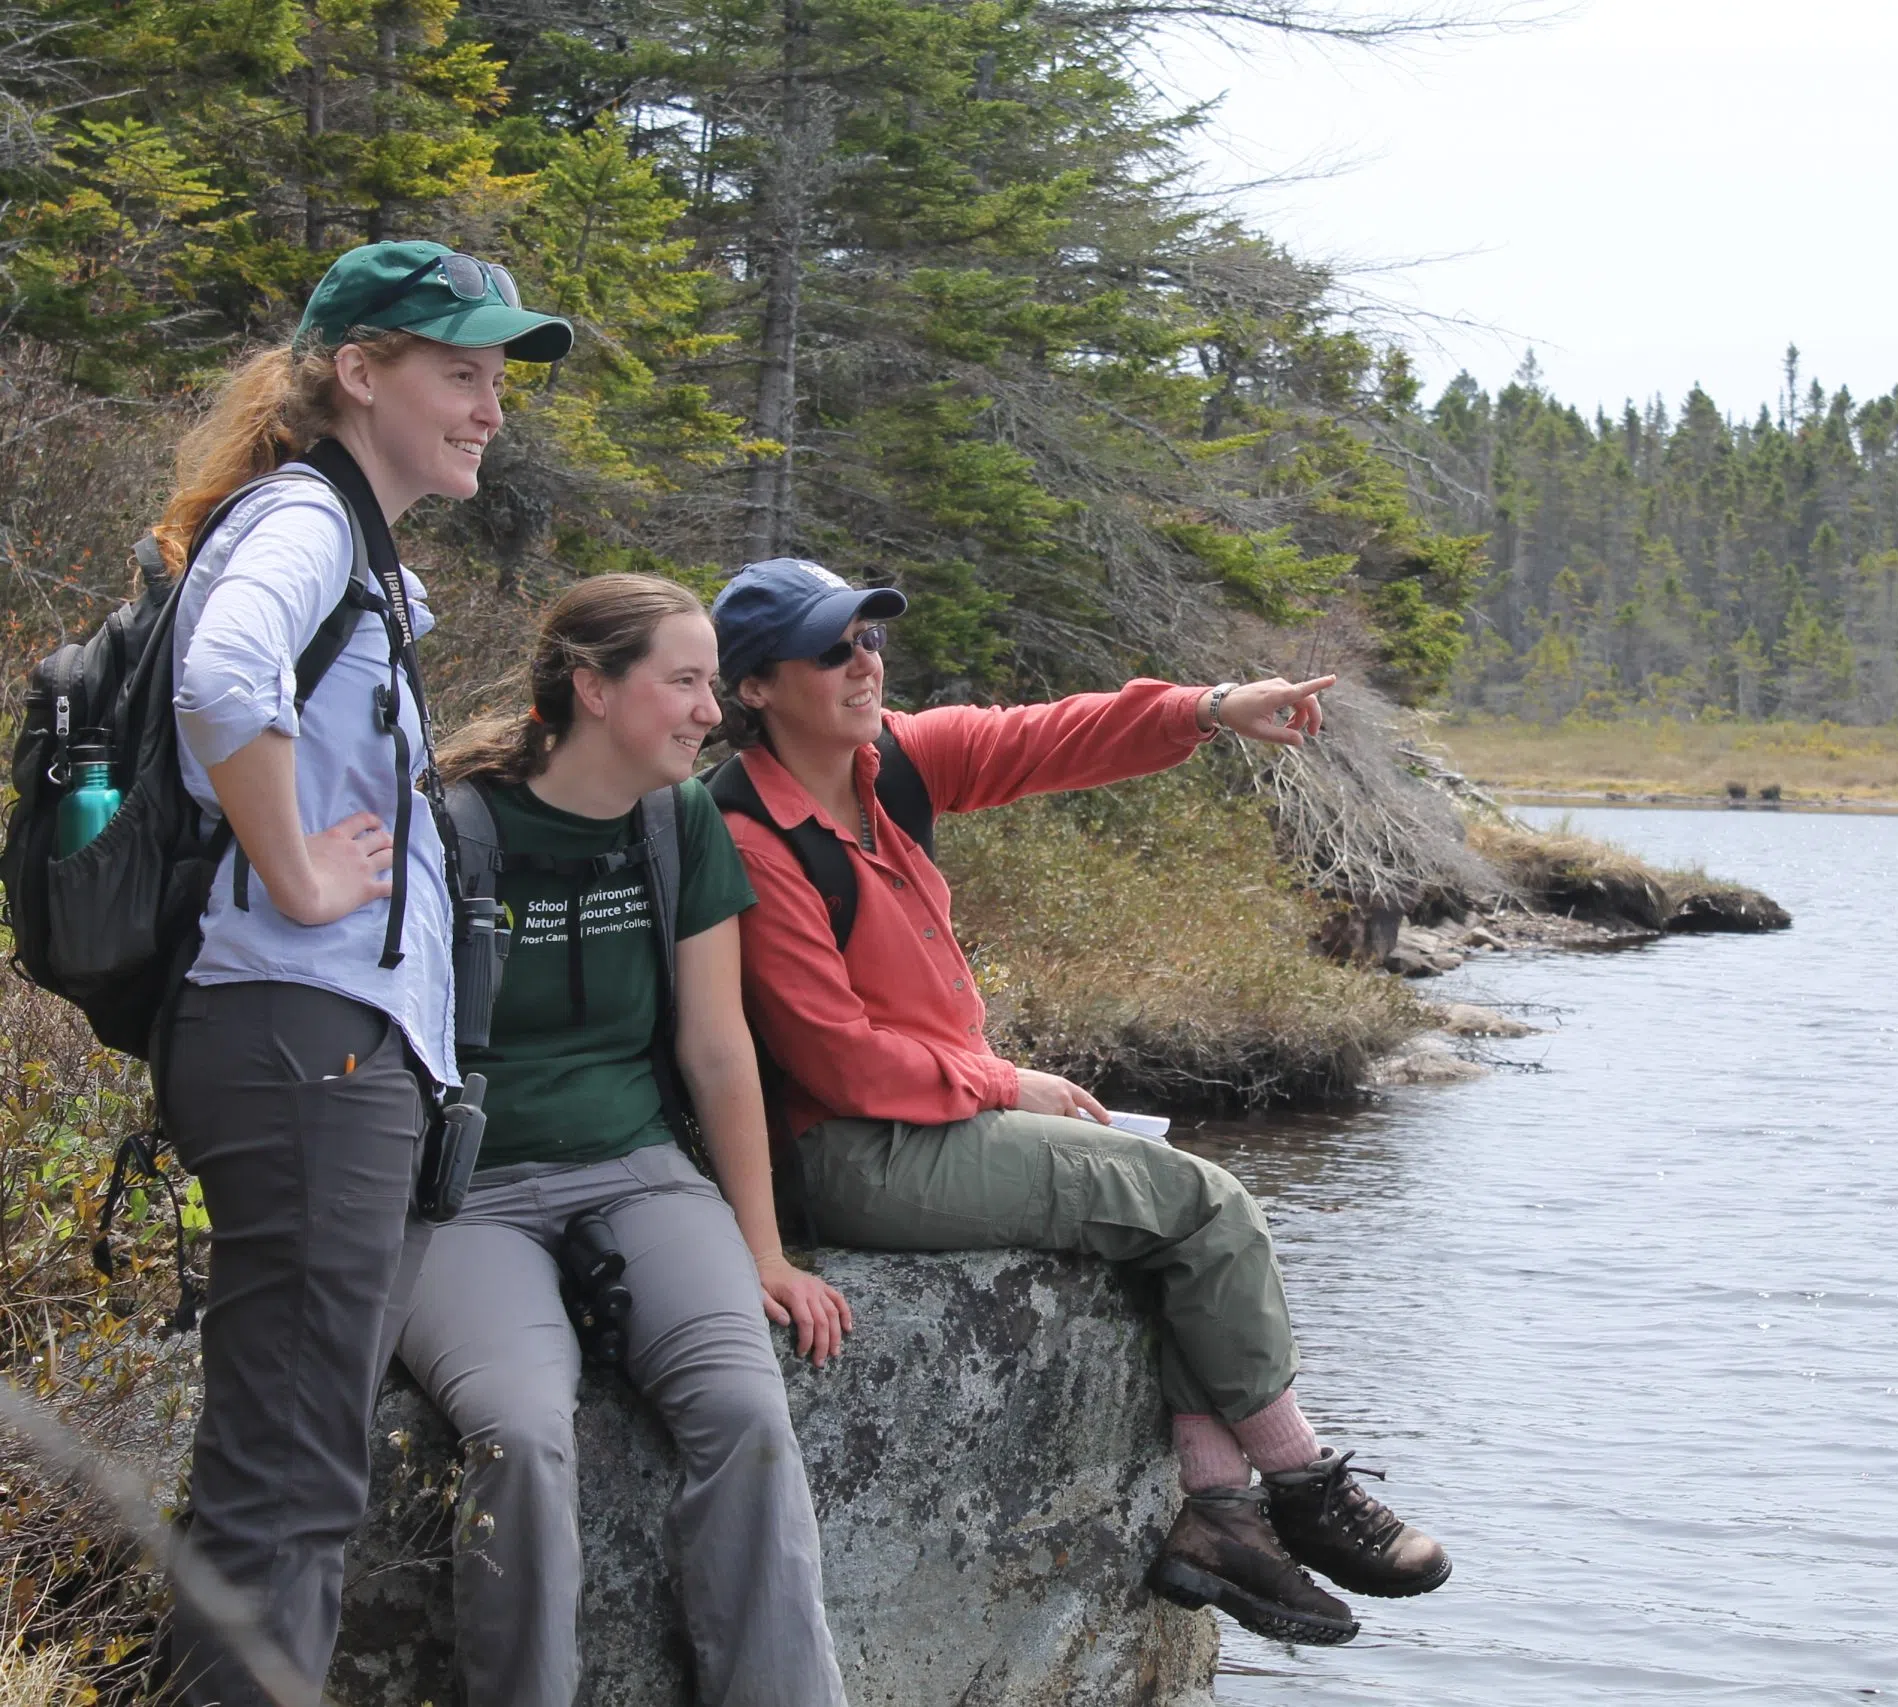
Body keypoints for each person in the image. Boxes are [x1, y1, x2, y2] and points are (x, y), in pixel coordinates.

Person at [708, 556, 1453, 1648]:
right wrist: (1009, 1081)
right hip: (858, 1154)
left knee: (1156, 1227)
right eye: (831, 650)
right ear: (755, 689)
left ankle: (1217, 1516)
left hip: (940, 1122)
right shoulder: (745, 835)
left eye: (870, 640)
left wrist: (1211, 708)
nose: (864, 663)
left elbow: (1047, 734)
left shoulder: (892, 763)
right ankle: (1299, 1482)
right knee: (1205, 1207)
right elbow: (839, 1065)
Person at [155, 240, 573, 1704]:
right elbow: (220, 677)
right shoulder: (303, 523)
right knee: (290, 1480)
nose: (491, 409)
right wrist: (298, 866)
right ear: (360, 370)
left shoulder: (348, 541)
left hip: (324, 1049)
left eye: (497, 380)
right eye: (461, 373)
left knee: (289, 1466)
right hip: (302, 1039)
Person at [398, 575, 853, 1707]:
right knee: (519, 1431)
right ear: (592, 689)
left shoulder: (677, 817)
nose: (713, 712)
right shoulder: (450, 825)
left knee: (746, 1412)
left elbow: (715, 1051)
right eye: (685, 683)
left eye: (713, 684)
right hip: (468, 1193)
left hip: (640, 1170)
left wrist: (762, 1251)